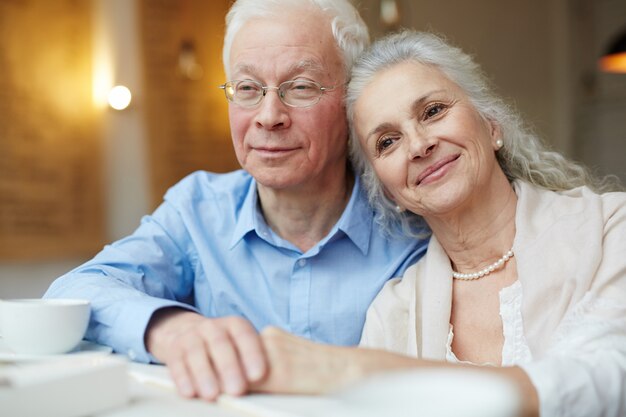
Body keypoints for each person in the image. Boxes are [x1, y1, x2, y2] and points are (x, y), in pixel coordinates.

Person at [43, 1, 427, 401]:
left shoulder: (411, 221)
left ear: (352, 104)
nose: (268, 116)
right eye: (247, 89)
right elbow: (75, 290)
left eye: (300, 87)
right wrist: (172, 329)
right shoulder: (197, 210)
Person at [250, 31, 626, 417]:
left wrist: (362, 371)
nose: (418, 145)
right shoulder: (392, 312)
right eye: (387, 142)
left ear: (491, 124)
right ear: (387, 190)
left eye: (432, 111)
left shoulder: (612, 227)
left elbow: (609, 376)